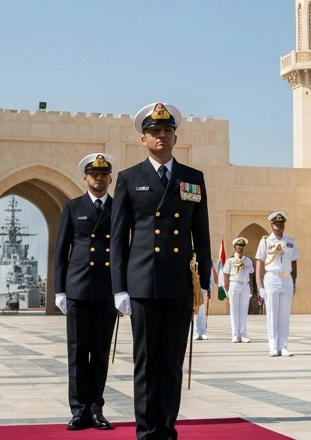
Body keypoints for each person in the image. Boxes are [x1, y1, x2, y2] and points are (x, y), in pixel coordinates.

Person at [110, 103, 213, 440]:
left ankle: (167, 429)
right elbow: (118, 239)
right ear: (144, 139)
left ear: (175, 136)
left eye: (167, 131)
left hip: (179, 283)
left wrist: (206, 277)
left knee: (171, 362)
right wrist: (119, 288)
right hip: (142, 283)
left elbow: (201, 231)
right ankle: (146, 431)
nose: (162, 136)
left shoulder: (192, 178)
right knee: (146, 362)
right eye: (155, 132)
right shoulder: (128, 179)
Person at [54, 153, 119, 431]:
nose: (99, 179)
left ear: (110, 178)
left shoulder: (119, 208)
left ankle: (96, 409)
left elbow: (124, 251)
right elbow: (60, 251)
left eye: (104, 175)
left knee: (101, 352)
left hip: (107, 290)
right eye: (94, 174)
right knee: (78, 351)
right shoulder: (72, 207)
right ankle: (79, 410)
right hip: (78, 288)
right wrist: (59, 290)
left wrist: (122, 290)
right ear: (86, 178)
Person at [255, 212, 299, 357]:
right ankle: (273, 346)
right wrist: (259, 286)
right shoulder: (266, 241)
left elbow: (294, 262)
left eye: (281, 224)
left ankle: (283, 346)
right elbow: (260, 263)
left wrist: (294, 281)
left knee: (285, 315)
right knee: (272, 314)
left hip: (286, 278)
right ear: (272, 225)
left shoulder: (290, 242)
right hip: (271, 278)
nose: (279, 227)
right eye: (276, 224)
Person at [225, 237, 254, 343]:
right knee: (234, 310)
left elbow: (251, 272)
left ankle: (243, 334)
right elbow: (226, 274)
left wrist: (244, 264)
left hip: (244, 285)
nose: (240, 248)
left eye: (242, 247)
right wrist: (226, 288)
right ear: (235, 247)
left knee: (243, 310)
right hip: (234, 284)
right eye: (238, 246)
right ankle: (235, 334)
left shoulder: (248, 260)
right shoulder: (230, 261)